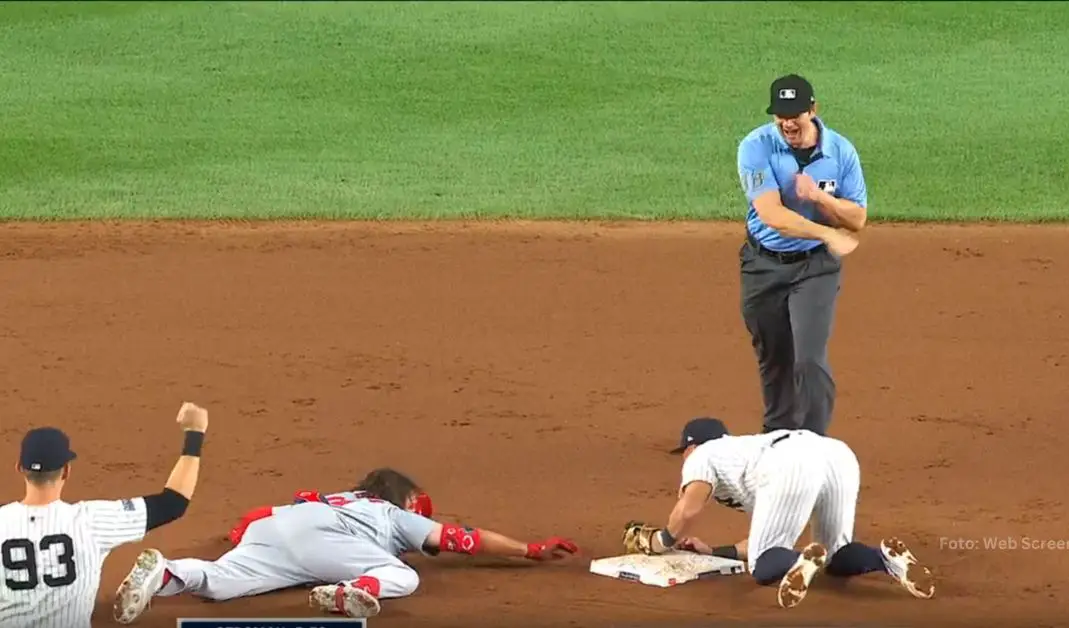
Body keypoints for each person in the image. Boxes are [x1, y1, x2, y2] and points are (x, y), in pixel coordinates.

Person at [112, 468, 579, 623]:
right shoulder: (389, 513)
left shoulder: (325, 497)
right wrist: (528, 550)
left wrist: (242, 541)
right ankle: (343, 593)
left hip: (276, 529)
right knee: (405, 576)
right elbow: (465, 540)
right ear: (401, 498)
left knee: (218, 583)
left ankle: (168, 572)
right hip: (328, 544)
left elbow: (250, 522)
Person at [621, 417, 934, 608]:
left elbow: (688, 509)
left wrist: (662, 540)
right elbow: (761, 538)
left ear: (691, 446)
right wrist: (715, 552)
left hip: (789, 462)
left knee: (763, 567)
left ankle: (801, 562)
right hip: (836, 454)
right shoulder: (742, 456)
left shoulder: (702, 454)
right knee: (837, 556)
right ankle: (885, 559)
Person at [736, 73, 869, 436]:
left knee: (808, 360)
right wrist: (827, 232)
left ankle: (813, 445)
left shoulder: (841, 152)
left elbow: (857, 218)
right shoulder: (755, 147)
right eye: (780, 113)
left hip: (815, 267)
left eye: (795, 113)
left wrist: (820, 198)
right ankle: (776, 438)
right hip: (762, 265)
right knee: (774, 357)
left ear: (813, 109)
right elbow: (771, 214)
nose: (787, 122)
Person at [0, 402, 210, 628]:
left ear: (19, 468)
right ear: (67, 471)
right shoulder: (91, 521)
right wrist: (194, 433)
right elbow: (173, 503)